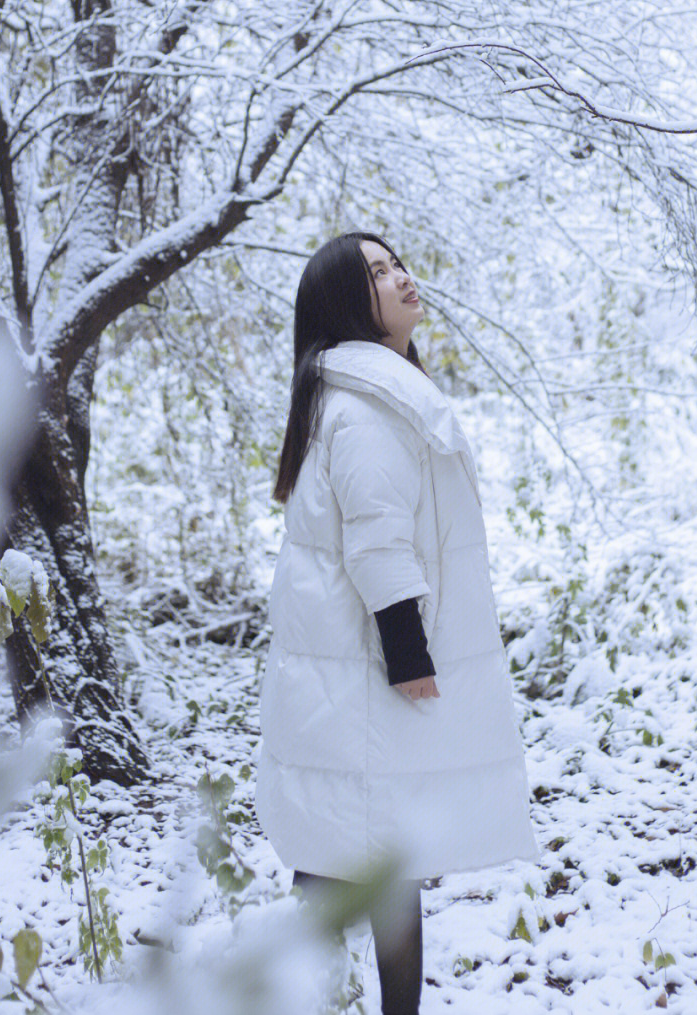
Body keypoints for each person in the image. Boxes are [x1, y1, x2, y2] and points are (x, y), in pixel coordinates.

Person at [254, 231, 540, 1014]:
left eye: (397, 262)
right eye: (378, 272)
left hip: (340, 677)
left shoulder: (356, 395)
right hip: (365, 673)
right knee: (372, 862)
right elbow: (378, 541)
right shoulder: (370, 407)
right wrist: (409, 652)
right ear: (350, 303)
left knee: (347, 856)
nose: (403, 277)